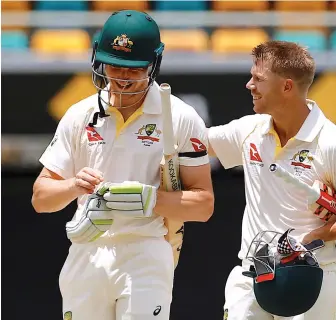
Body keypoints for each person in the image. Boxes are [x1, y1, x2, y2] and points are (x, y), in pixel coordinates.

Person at [31, 10, 214, 320]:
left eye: (133, 69)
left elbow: (203, 205)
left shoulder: (179, 117)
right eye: (114, 66)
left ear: (152, 65)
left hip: (147, 249)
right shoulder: (80, 114)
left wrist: (151, 200)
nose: (122, 78)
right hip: (87, 247)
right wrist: (74, 184)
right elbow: (40, 198)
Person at [207, 40, 336, 320]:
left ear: (287, 87)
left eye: (258, 79)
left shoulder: (335, 145)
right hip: (252, 275)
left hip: (309, 278)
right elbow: (195, 142)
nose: (249, 85)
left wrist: (315, 238)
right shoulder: (250, 129)